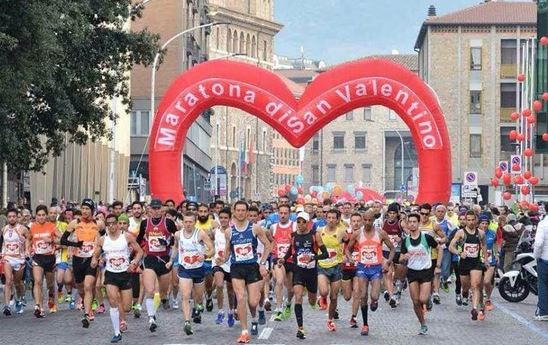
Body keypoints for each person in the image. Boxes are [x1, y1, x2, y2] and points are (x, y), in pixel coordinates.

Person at [218, 200, 272, 343]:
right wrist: (222, 260)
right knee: (240, 297)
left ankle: (254, 317)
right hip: (236, 268)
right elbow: (228, 251)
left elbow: (268, 245)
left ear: (247, 213)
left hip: (252, 267)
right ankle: (244, 331)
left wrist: (262, 263)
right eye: (238, 210)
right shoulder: (229, 232)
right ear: (234, 212)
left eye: (243, 210)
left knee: (253, 302)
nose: (241, 213)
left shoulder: (255, 228)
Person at [92, 213, 143, 343]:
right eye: (108, 224)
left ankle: (122, 316)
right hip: (111, 274)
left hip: (125, 273)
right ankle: (116, 332)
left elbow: (140, 252)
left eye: (114, 223)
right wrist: (94, 260)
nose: (111, 226)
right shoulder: (103, 240)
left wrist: (134, 263)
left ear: (118, 223)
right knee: (113, 302)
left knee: (126, 307)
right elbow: (96, 253)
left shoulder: (126, 237)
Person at [347, 211, 395, 336]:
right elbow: (348, 249)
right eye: (365, 220)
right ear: (363, 220)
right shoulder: (357, 234)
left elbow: (392, 249)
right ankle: (365, 324)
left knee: (374, 296)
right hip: (362, 267)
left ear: (374, 220)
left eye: (370, 220)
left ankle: (374, 301)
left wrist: (388, 262)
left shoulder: (380, 233)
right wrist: (350, 258)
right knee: (363, 296)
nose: (367, 223)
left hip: (376, 269)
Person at [135, 198, 178, 332]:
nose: (156, 211)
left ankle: (164, 299)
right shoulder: (144, 223)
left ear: (162, 209)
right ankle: (151, 318)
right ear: (149, 210)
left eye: (158, 208)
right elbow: (138, 240)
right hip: (150, 259)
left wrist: (167, 243)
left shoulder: (169, 223)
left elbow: (176, 240)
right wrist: (138, 255)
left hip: (164, 261)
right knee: (150, 291)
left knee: (163, 292)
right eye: (153, 208)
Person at [168, 211, 214, 335]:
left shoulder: (200, 234)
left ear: (195, 222)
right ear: (183, 222)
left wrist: (205, 255)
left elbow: (212, 249)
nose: (188, 224)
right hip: (184, 269)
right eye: (186, 222)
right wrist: (171, 260)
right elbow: (175, 247)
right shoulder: (178, 234)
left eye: (190, 222)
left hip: (198, 269)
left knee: (198, 297)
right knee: (185, 296)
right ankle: (187, 322)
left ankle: (199, 305)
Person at [62, 198, 104, 327]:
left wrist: (99, 255)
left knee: (88, 286)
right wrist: (75, 244)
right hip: (78, 259)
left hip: (92, 260)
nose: (84, 211)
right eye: (83, 208)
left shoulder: (99, 224)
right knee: (81, 287)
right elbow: (63, 240)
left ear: (92, 211)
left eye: (87, 209)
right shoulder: (75, 223)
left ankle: (87, 313)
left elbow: (106, 240)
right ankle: (88, 304)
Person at [286, 211, 328, 339]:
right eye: (298, 221)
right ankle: (300, 328)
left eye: (303, 222)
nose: (300, 224)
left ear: (308, 223)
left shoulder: (315, 236)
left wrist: (313, 257)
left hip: (311, 271)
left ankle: (318, 299)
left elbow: (325, 254)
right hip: (298, 270)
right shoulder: (293, 236)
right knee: (298, 296)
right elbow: (290, 251)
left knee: (311, 300)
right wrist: (283, 259)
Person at [400, 213, 439, 335]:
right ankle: (422, 323)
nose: (412, 224)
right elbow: (401, 257)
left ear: (418, 223)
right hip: (412, 272)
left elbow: (440, 248)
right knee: (416, 301)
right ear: (407, 224)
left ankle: (428, 301)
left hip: (426, 271)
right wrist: (404, 257)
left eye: (414, 222)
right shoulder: (405, 240)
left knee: (423, 298)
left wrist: (438, 265)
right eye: (409, 222)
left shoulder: (426, 237)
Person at [449, 211, 489, 321]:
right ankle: (465, 293)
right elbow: (451, 247)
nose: (471, 222)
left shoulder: (481, 233)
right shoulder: (460, 233)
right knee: (465, 286)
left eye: (473, 220)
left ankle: (475, 309)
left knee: (476, 285)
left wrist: (485, 259)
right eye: (469, 220)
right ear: (466, 220)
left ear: (476, 220)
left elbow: (484, 245)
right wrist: (459, 253)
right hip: (464, 263)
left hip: (476, 263)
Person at [26, 205, 63, 318]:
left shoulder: (51, 226)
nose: (41, 217)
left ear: (46, 216)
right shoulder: (32, 227)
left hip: (50, 258)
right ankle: (39, 307)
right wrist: (27, 250)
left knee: (50, 285)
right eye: (39, 215)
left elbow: (62, 239)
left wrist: (51, 240)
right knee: (38, 282)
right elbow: (28, 239)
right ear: (36, 216)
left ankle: (51, 298)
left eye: (43, 215)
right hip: (38, 257)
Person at [316, 209, 347, 332]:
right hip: (322, 265)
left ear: (338, 219)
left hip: (336, 266)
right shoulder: (319, 231)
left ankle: (330, 320)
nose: (331, 220)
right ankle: (322, 297)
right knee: (324, 291)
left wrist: (346, 255)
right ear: (326, 218)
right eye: (329, 217)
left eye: (334, 218)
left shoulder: (342, 232)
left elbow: (349, 244)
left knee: (334, 297)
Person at [270, 204, 296, 321]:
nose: (283, 215)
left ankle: (289, 303)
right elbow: (269, 241)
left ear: (289, 214)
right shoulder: (273, 227)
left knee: (290, 289)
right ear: (278, 213)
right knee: (279, 281)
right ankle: (279, 309)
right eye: (281, 213)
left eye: (285, 213)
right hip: (278, 259)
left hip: (291, 260)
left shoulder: (294, 226)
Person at [1, 208, 28, 315]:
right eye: (9, 217)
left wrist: (26, 251)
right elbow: (3, 242)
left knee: (18, 283)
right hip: (8, 257)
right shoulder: (4, 229)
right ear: (7, 218)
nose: (12, 218)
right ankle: (7, 306)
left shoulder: (22, 229)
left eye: (14, 216)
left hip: (19, 259)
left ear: (17, 217)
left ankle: (20, 298)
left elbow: (28, 240)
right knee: (8, 281)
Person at [212, 207, 236, 327]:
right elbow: (209, 244)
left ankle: (231, 311)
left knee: (231, 291)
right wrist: (210, 254)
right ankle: (220, 311)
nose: (223, 220)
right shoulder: (215, 231)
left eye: (226, 218)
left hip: (231, 264)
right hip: (218, 263)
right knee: (220, 284)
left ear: (230, 219)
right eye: (221, 217)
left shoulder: (233, 231)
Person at [534, 203, 548, 321]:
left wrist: (536, 256)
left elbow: (538, 243)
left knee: (543, 285)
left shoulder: (543, 224)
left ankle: (543, 312)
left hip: (545, 259)